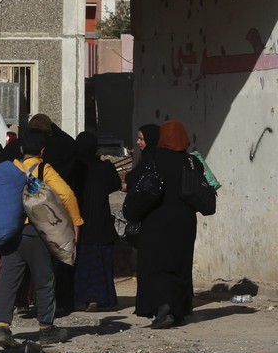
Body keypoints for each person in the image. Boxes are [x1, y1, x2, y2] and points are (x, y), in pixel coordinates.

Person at [0, 129, 83, 351]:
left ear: (21, 149)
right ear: (43, 151)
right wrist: (76, 222)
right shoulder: (45, 169)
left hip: (11, 231)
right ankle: (46, 329)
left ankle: (2, 326)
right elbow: (67, 194)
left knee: (8, 279)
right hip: (35, 232)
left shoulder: (11, 168)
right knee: (44, 279)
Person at [124, 120, 214, 329]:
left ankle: (163, 308)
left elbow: (135, 179)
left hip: (157, 220)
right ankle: (179, 310)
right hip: (185, 222)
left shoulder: (155, 157)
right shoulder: (192, 161)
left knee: (156, 265)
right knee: (180, 264)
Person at [26, 114, 79, 314]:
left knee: (41, 263)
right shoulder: (67, 144)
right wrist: (76, 220)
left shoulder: (39, 157)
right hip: (61, 211)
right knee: (61, 257)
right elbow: (67, 191)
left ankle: (43, 305)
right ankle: (62, 302)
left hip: (36, 210)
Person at [70, 132, 122, 311]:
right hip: (101, 222)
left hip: (80, 223)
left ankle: (82, 298)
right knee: (102, 263)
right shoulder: (104, 167)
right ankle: (102, 298)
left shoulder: (74, 168)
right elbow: (115, 184)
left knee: (82, 263)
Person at [123, 124, 161, 192]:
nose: (138, 142)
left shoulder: (151, 158)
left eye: (141, 139)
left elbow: (133, 178)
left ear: (150, 138)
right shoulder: (147, 155)